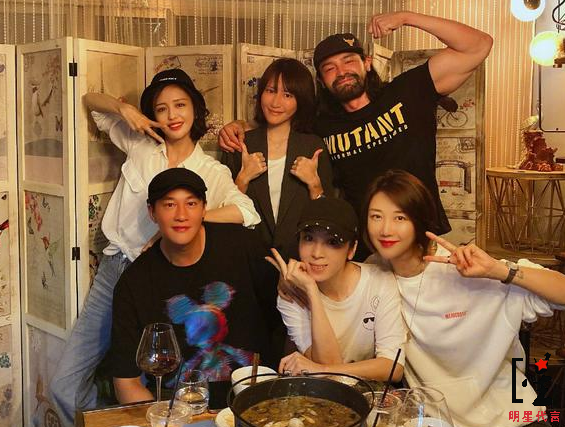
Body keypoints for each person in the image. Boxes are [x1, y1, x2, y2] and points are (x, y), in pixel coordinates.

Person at [50, 69, 260, 425]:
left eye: (180, 105)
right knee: (64, 385)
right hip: (115, 271)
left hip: (163, 279)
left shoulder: (210, 170)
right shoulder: (140, 144)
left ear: (195, 109)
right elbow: (91, 102)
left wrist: (188, 219)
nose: (172, 115)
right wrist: (124, 109)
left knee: (155, 380)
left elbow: (247, 212)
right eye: (162, 108)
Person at [219, 11, 493, 259]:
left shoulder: (407, 92)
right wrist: (239, 126)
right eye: (329, 68)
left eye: (349, 61)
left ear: (367, 63)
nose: (341, 72)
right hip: (361, 249)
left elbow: (479, 45)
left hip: (419, 240)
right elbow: (281, 118)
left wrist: (407, 17)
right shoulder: (321, 125)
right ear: (322, 81)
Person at [361, 169, 565, 427]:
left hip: (511, 419)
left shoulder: (467, 270)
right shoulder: (374, 274)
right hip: (438, 421)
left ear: (420, 220)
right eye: (376, 216)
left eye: (400, 217)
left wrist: (499, 271)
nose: (385, 229)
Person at [109, 168, 281, 403]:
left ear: (204, 208)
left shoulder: (244, 247)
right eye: (169, 205)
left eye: (191, 204)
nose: (181, 215)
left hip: (256, 398)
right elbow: (126, 382)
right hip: (178, 406)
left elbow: (285, 322)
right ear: (152, 212)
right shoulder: (134, 283)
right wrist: (163, 417)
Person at [269, 197, 406, 382]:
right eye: (308, 239)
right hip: (324, 393)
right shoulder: (291, 294)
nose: (317, 253)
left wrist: (322, 369)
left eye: (332, 242)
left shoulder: (379, 281)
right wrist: (312, 292)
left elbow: (393, 368)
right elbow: (330, 372)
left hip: (367, 392)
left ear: (352, 249)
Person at [222, 58, 334, 259]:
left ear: (301, 100)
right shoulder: (240, 144)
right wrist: (243, 179)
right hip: (246, 257)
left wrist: (315, 185)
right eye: (271, 91)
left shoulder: (313, 146)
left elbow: (328, 217)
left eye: (287, 95)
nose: (275, 103)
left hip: (300, 260)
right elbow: (219, 212)